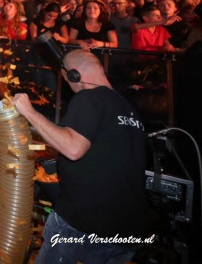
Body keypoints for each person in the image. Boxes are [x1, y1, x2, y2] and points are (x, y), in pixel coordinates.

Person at [13, 50, 152, 263]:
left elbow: (73, 148)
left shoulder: (89, 97)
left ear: (74, 75)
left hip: (84, 224)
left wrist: (29, 112)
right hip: (129, 231)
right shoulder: (126, 107)